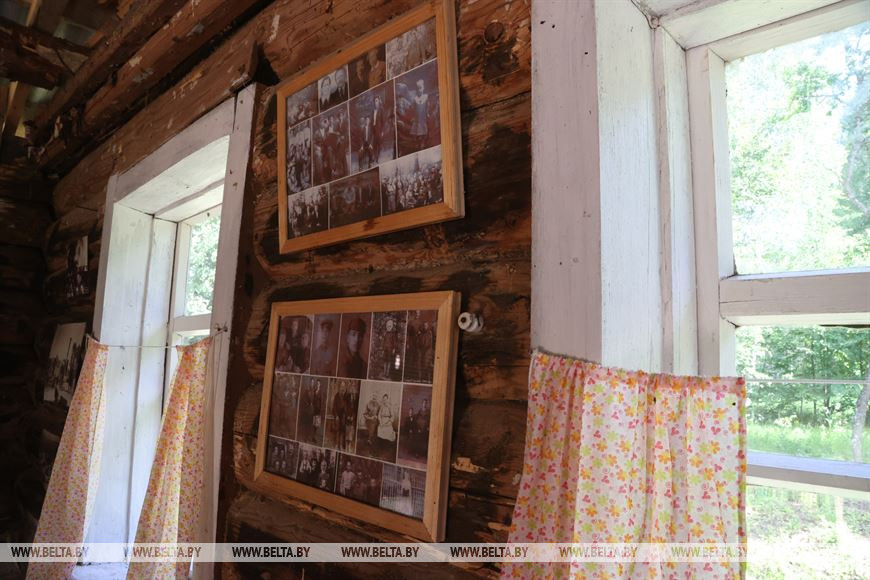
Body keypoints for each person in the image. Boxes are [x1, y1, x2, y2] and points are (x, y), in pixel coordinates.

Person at [411, 78, 430, 151]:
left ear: (423, 88)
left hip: (423, 116)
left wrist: (427, 113)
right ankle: (417, 143)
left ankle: (423, 142)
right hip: (417, 117)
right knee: (416, 130)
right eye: (418, 89)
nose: (419, 90)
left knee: (424, 129)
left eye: (420, 88)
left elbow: (427, 106)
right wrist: (413, 116)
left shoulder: (425, 96)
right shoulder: (415, 98)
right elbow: (414, 108)